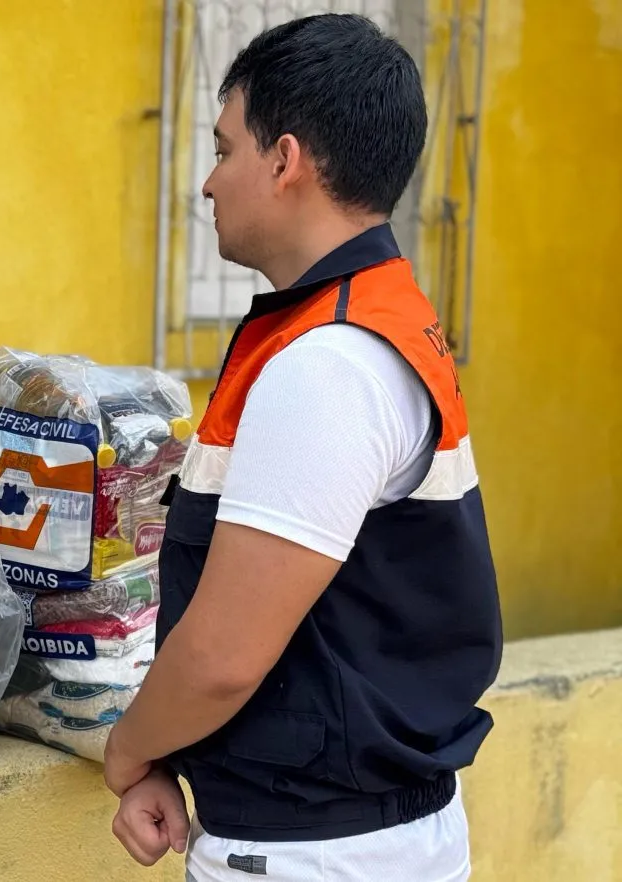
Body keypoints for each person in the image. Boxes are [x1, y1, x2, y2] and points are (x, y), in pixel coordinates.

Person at [102, 14, 500, 882]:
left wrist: (130, 750)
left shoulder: (329, 361)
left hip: (313, 851)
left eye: (223, 149)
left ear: (285, 160)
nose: (208, 182)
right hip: (355, 835)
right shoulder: (374, 320)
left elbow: (224, 656)